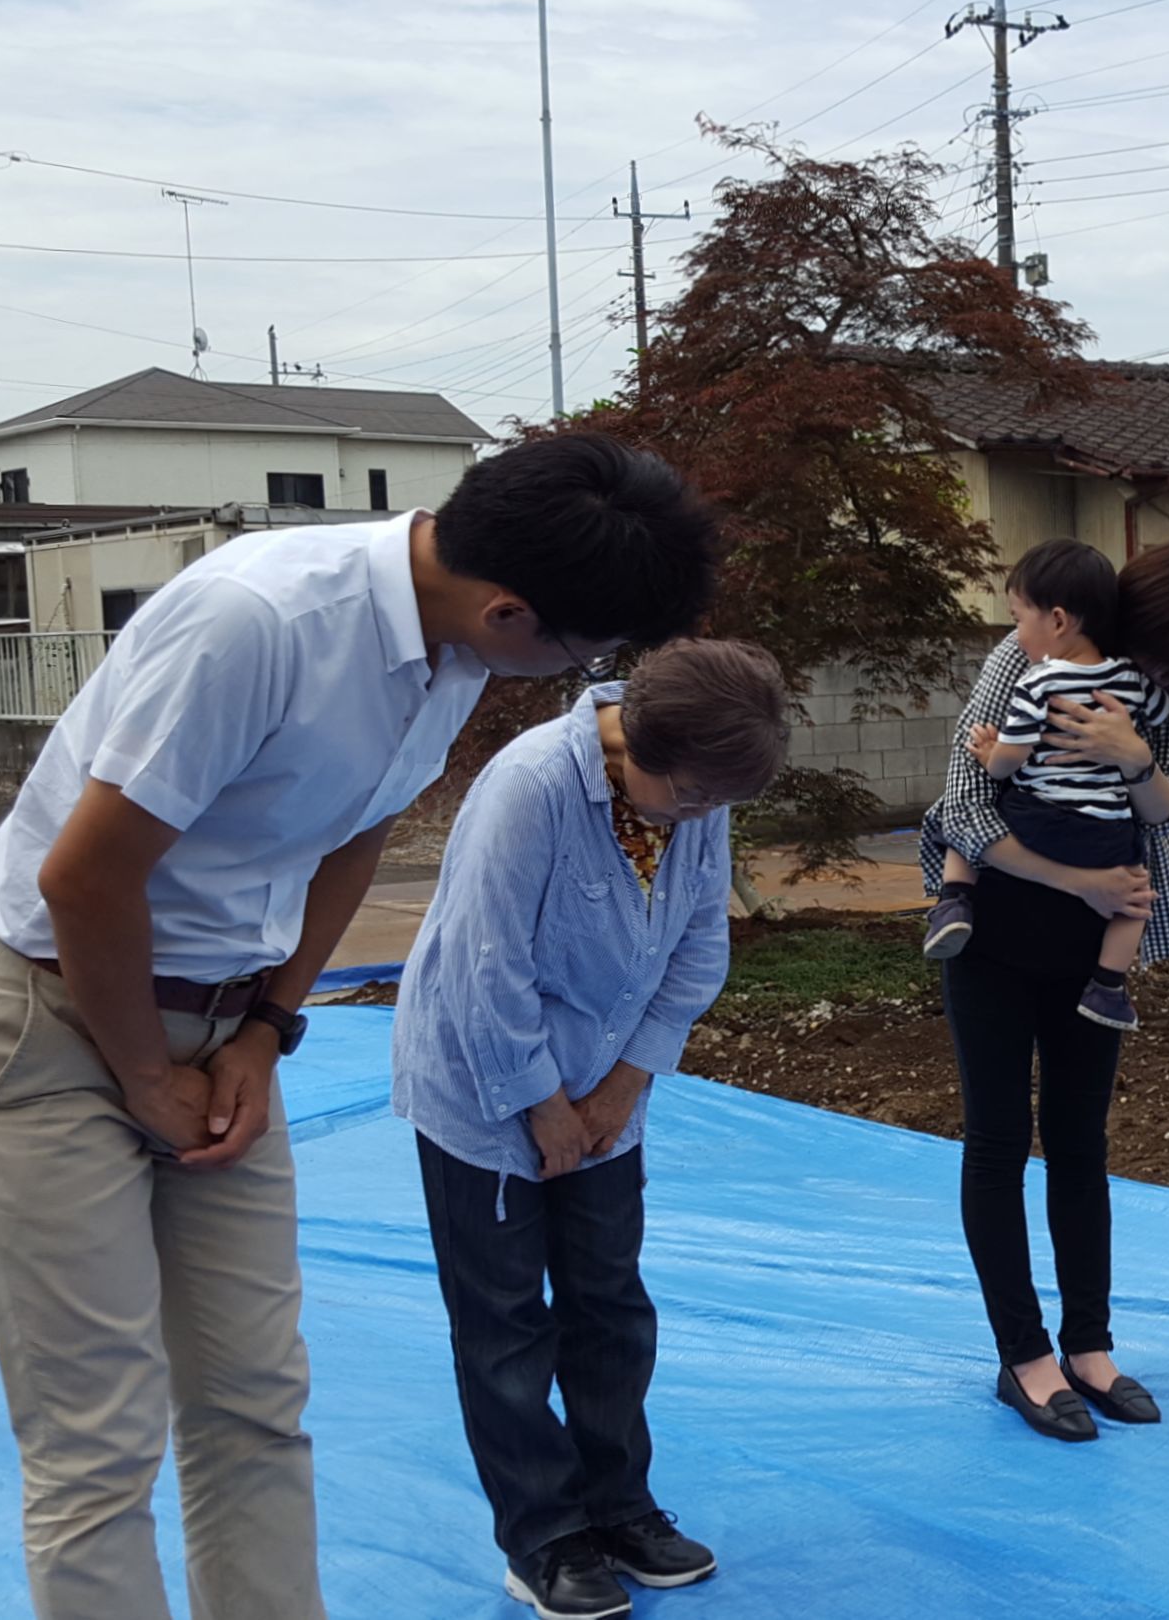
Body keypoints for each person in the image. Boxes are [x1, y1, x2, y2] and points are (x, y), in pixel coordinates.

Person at [0, 431, 720, 1620]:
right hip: (53, 1016)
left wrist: (265, 1030)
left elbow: (354, 834)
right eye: (583, 652)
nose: (581, 680)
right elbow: (83, 881)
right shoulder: (258, 623)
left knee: (254, 1402)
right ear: (511, 612)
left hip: (222, 1022)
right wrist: (146, 1074)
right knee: (98, 1434)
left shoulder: (450, 650)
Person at [392, 638, 788, 1620]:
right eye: (689, 798)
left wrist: (618, 1089)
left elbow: (698, 943)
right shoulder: (529, 788)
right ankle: (543, 1536)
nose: (702, 817)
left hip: (606, 1088)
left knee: (610, 1301)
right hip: (485, 1086)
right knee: (506, 1322)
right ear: (635, 751)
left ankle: (619, 1507)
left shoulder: (696, 786)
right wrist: (540, 1103)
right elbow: (485, 966)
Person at [921, 536, 1169, 1440]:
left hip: (1096, 944)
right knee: (997, 1139)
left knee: (1080, 1140)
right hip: (993, 928)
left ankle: (1089, 1347)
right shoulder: (1027, 655)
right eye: (1164, 658)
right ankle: (1024, 1357)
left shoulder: (1165, 689)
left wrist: (1132, 754)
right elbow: (961, 800)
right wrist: (1075, 882)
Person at [923, 539, 1169, 1033]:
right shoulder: (1134, 679)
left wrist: (992, 755)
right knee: (1135, 898)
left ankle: (954, 899)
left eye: (1017, 620)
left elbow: (1005, 764)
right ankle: (1109, 987)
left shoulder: (1039, 680)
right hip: (1106, 833)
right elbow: (1160, 715)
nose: (1016, 637)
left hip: (1038, 818)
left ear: (1057, 621)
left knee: (964, 824)